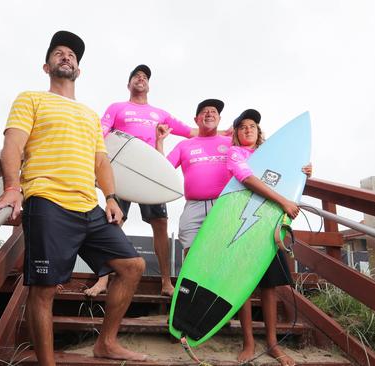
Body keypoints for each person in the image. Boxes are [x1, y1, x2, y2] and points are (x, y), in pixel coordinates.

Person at [0, 30, 147, 365]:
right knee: (44, 288)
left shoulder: (90, 115)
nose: (66, 57)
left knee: (132, 265)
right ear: (47, 66)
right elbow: (13, 145)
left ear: (78, 70)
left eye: (72, 56)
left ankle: (105, 343)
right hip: (47, 201)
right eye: (59, 53)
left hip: (88, 206)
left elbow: (100, 161)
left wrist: (109, 197)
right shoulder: (30, 99)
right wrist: (11, 186)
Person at [161, 107, 311, 366]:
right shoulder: (234, 153)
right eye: (242, 127)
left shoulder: (271, 157)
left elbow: (288, 179)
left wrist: (303, 171)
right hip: (239, 225)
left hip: (269, 224)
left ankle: (273, 343)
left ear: (259, 131)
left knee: (269, 286)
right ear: (236, 133)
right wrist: (283, 201)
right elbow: (246, 178)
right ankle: (249, 341)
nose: (248, 129)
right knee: (239, 281)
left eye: (252, 126)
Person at [84, 64, 197, 297]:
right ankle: (103, 279)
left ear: (149, 85)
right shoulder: (117, 108)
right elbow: (100, 134)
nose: (141, 78)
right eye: (136, 76)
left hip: (149, 174)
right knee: (113, 221)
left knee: (160, 224)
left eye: (145, 77)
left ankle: (166, 281)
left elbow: (189, 131)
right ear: (129, 84)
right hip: (121, 173)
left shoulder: (160, 114)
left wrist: (224, 132)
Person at [158, 98, 231, 256]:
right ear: (196, 120)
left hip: (224, 203)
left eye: (214, 112)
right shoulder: (184, 145)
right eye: (204, 111)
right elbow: (163, 170)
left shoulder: (232, 142)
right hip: (193, 206)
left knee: (224, 251)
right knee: (191, 252)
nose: (209, 114)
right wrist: (160, 142)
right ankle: (190, 281)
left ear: (219, 119)